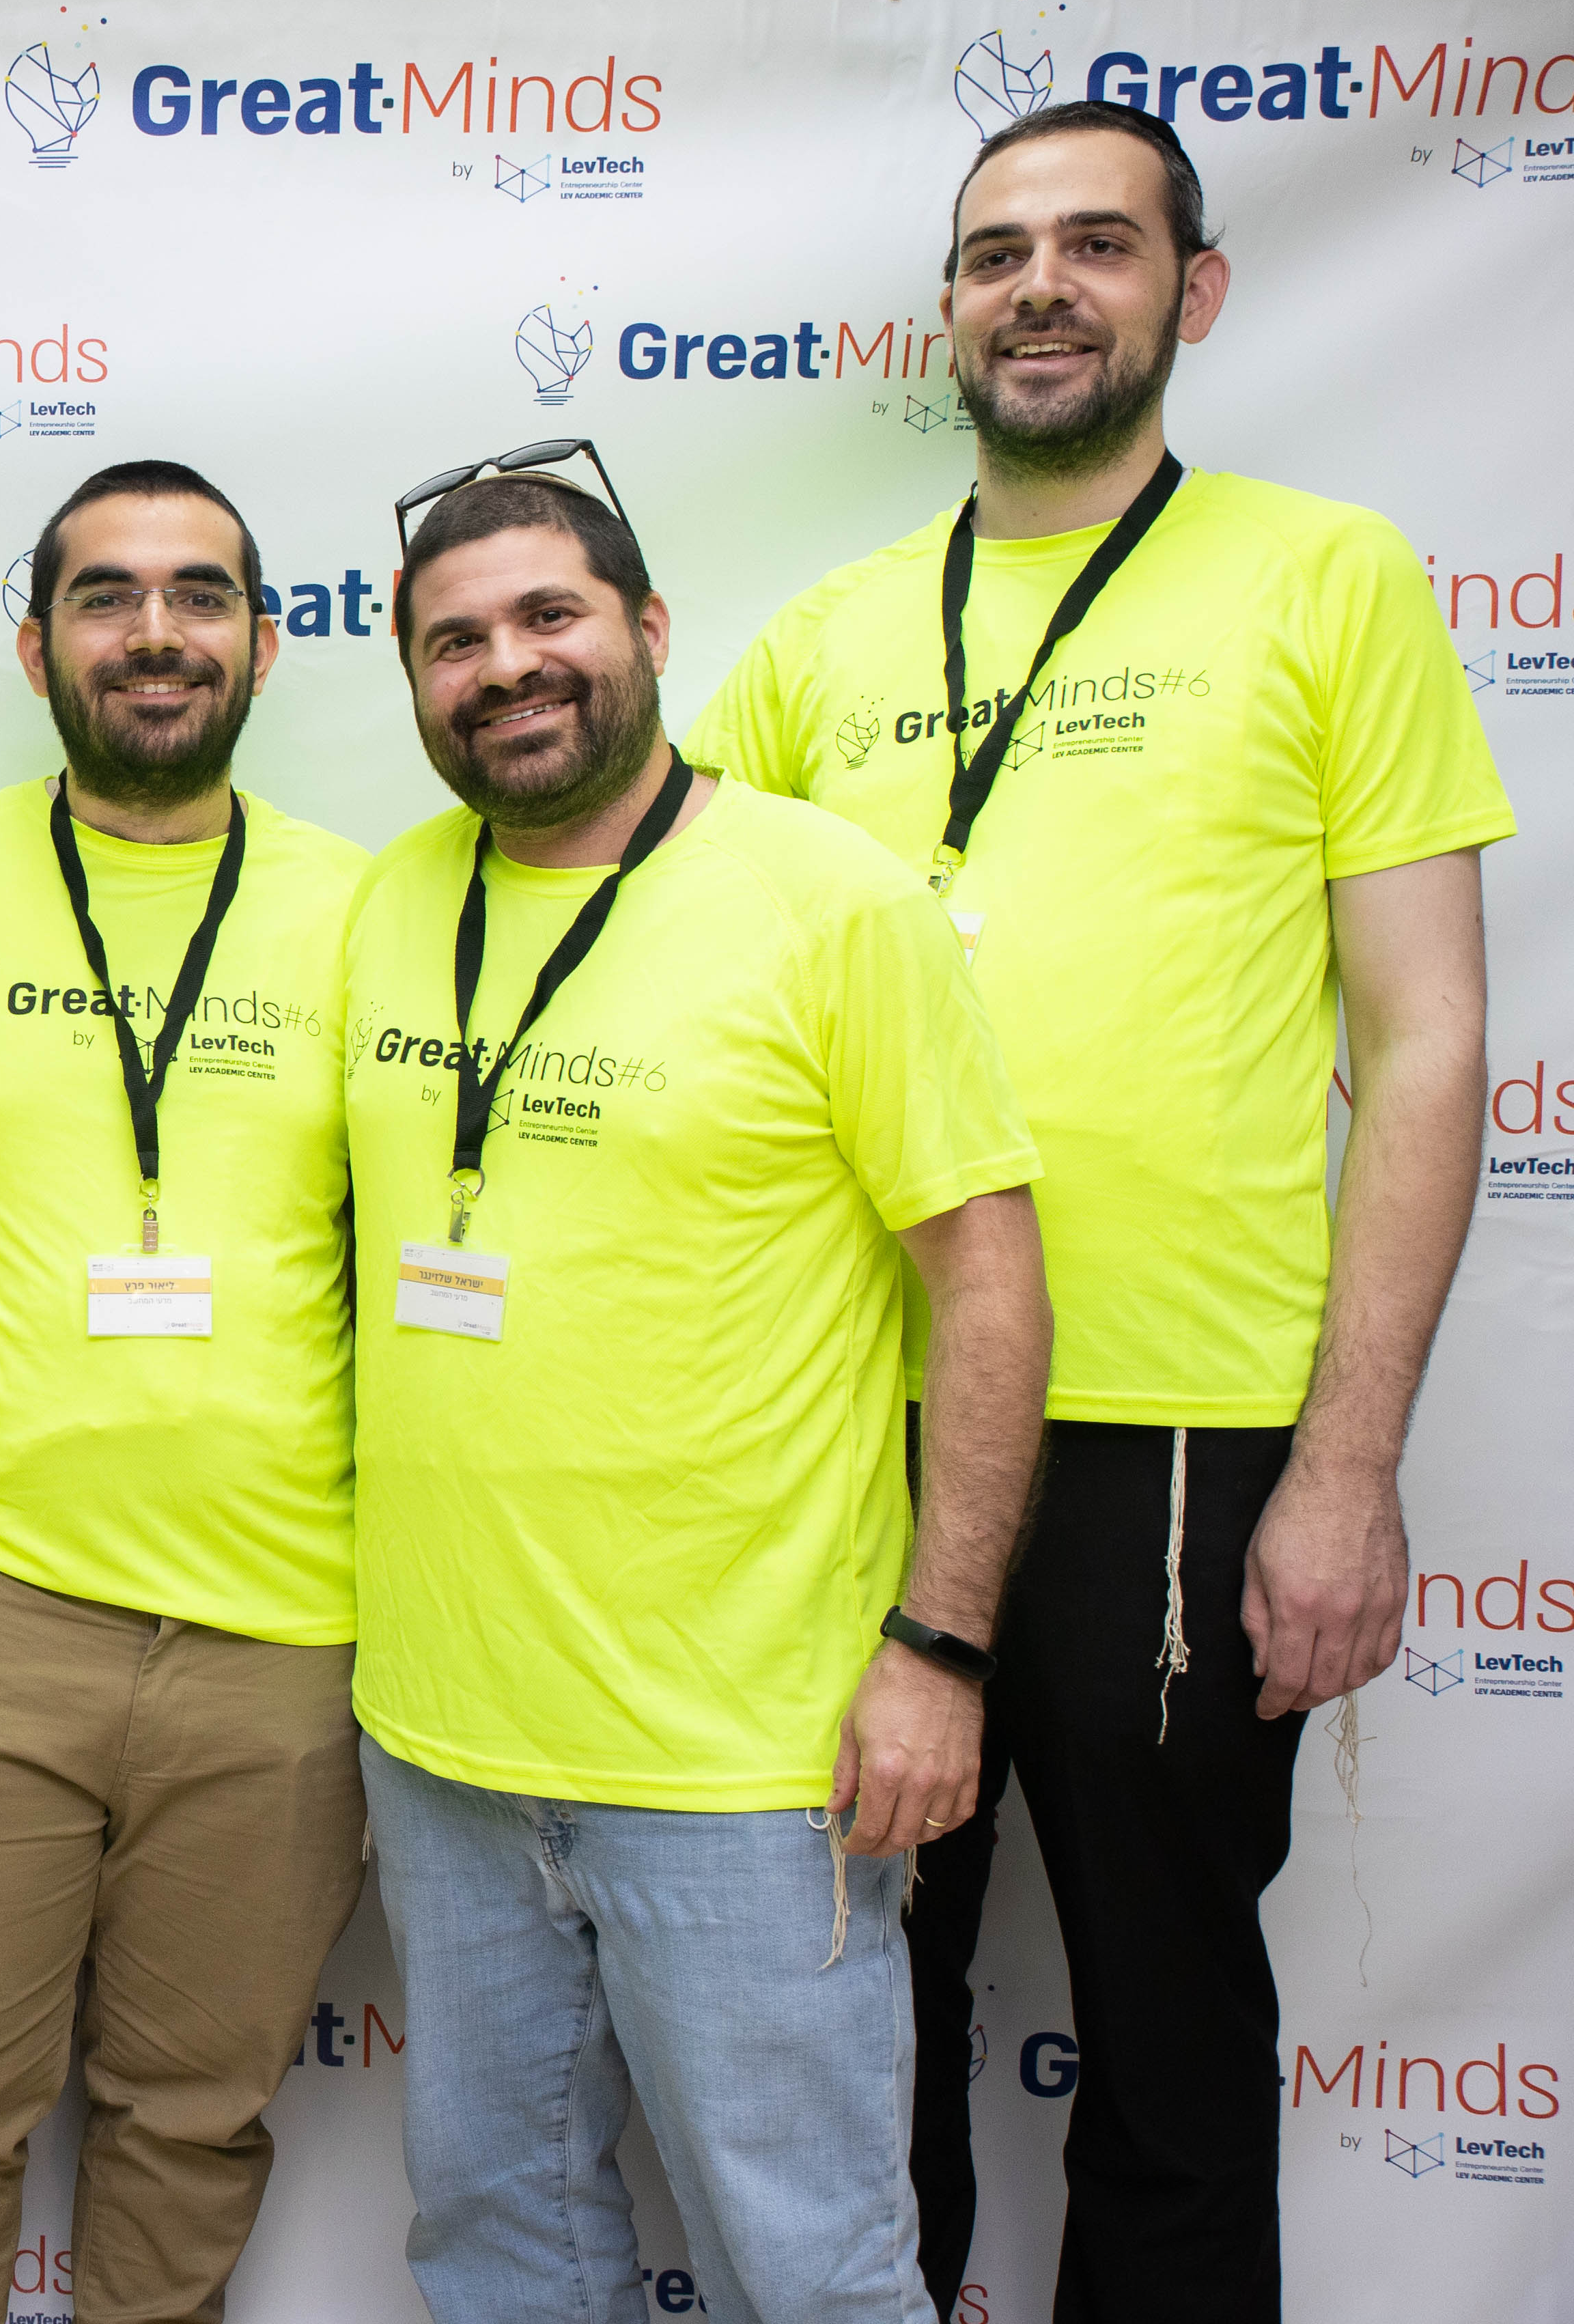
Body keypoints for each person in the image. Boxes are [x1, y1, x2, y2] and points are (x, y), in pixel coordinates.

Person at [693, 98, 1509, 2323]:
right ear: (946, 314)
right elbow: (690, 996)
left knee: (1168, 2049)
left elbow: (1426, 1042)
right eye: (996, 254)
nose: (1039, 287)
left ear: (1194, 291)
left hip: (1184, 1447)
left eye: (1097, 245)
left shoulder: (1328, 579)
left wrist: (1346, 1469)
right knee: (850, 2037)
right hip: (855, 1445)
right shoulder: (823, 641)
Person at [346, 453, 1052, 2323]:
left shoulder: (832, 904)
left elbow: (988, 1281)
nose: (507, 667)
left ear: (650, 629)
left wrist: (942, 1648)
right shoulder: (391, 901)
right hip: (443, 1741)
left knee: (807, 2273)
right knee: (502, 2249)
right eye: (454, 642)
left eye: (550, 617)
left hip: (745, 1761)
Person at [0, 459, 369, 2321]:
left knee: (195, 2123)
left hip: (283, 1635)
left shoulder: (367, 911)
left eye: (201, 595)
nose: (157, 634)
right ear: (36, 644)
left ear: (266, 642)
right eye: (108, 596)